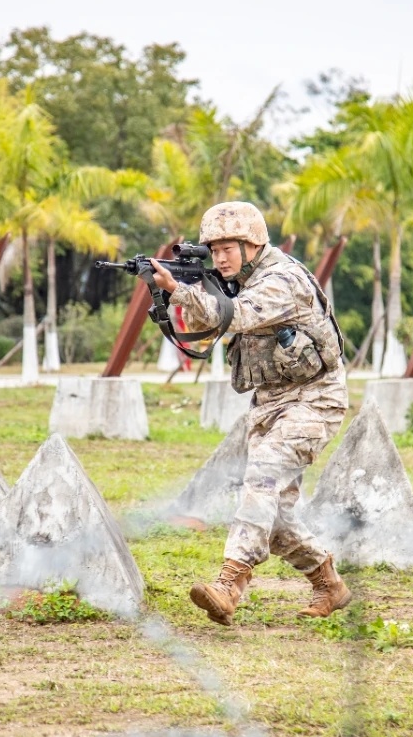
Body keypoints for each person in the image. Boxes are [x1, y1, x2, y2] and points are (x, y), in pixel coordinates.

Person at [150, 201, 352, 625]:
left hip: (315, 400)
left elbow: (236, 316)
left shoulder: (281, 280)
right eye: (214, 250)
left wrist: (179, 291)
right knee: (274, 515)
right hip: (270, 405)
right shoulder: (241, 278)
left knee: (261, 475)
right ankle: (327, 582)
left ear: (253, 243)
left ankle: (230, 583)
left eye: (228, 248)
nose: (219, 258)